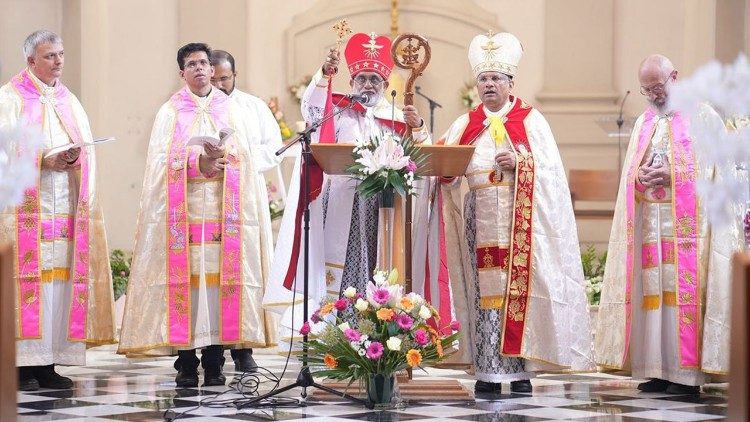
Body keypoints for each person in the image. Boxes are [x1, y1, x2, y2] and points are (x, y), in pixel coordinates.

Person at [264, 32, 444, 342]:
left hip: (383, 209)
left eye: (375, 79)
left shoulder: (395, 118)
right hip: (341, 207)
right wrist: (325, 74)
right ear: (352, 82)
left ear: (386, 86)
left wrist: (418, 128)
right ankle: (338, 333)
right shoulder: (337, 110)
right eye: (362, 79)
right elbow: (312, 109)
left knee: (378, 266)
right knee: (343, 267)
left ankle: (377, 331)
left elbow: (420, 160)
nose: (368, 85)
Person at [439, 31, 593, 394]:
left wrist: (521, 162)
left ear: (511, 83)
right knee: (484, 295)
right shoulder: (465, 123)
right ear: (476, 85)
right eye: (483, 79)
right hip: (479, 221)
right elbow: (445, 168)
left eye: (496, 78)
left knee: (517, 295)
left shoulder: (532, 120)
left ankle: (520, 372)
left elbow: (552, 172)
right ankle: (488, 372)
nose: (489, 84)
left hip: (519, 224)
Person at [117, 43, 279, 388]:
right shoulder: (170, 112)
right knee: (188, 289)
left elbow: (249, 160)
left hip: (225, 217)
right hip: (185, 217)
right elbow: (158, 166)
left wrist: (224, 158)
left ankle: (216, 361)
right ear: (182, 73)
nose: (200, 69)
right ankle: (187, 362)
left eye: (204, 63)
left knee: (220, 288)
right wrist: (197, 163)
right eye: (192, 64)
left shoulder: (233, 110)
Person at [595, 54, 733, 394]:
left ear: (675, 76)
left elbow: (719, 173)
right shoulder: (644, 122)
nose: (655, 95)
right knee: (654, 295)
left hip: (688, 231)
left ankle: (686, 376)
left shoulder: (704, 116)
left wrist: (674, 173)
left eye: (659, 87)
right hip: (651, 228)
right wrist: (639, 177)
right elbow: (632, 174)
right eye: (647, 90)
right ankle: (657, 369)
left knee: (679, 295)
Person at [0, 30, 116, 391]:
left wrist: (73, 156)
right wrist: (42, 160)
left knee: (59, 285)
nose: (59, 61)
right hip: (23, 211)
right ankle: (20, 364)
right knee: (24, 285)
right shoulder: (9, 98)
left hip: (64, 208)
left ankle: (48, 361)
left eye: (61, 54)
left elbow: (86, 149)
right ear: (31, 60)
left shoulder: (69, 100)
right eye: (50, 56)